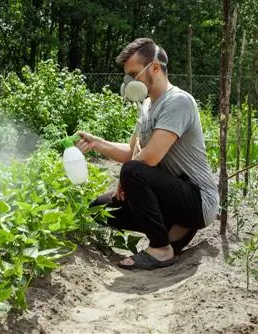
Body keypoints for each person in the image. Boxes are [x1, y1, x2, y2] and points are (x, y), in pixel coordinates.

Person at [76, 38, 219, 270]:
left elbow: (149, 157)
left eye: (133, 74)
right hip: (171, 195)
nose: (129, 82)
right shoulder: (146, 106)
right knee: (100, 208)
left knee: (133, 171)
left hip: (197, 200)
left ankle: (161, 248)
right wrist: (97, 143)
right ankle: (173, 229)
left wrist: (126, 176)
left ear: (154, 68)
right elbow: (130, 152)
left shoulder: (178, 101)